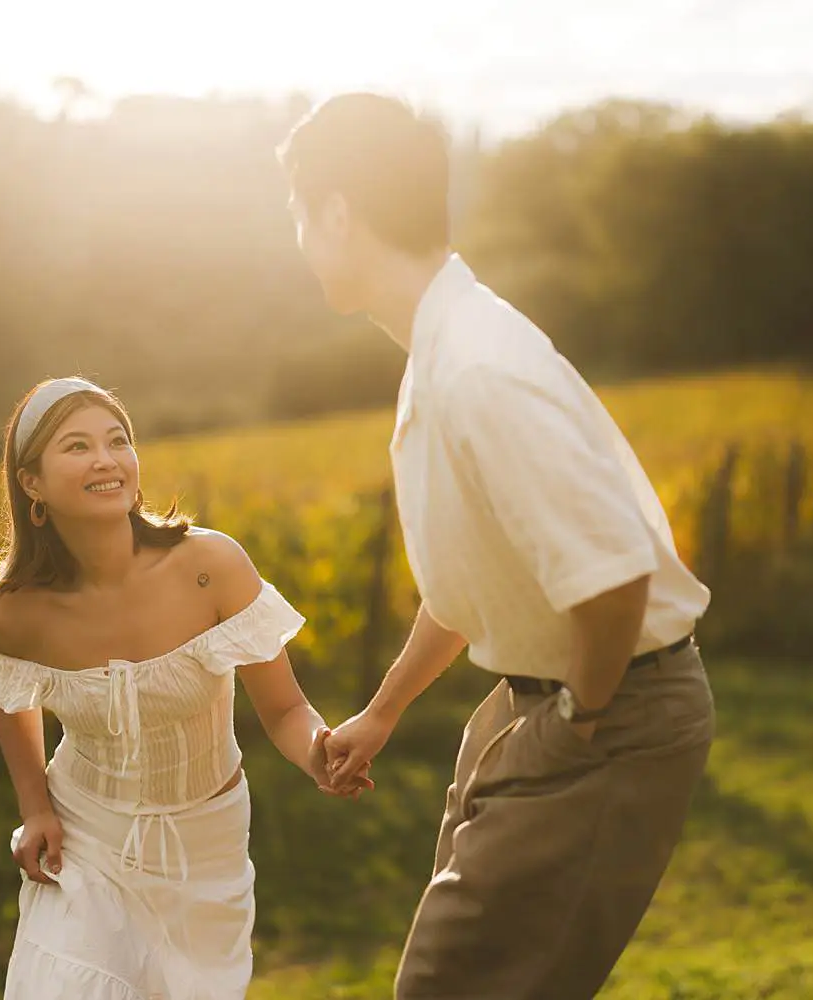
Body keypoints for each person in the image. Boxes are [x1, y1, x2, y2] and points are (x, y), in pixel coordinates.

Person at [278, 93, 718, 999]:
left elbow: (611, 578)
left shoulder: (478, 368)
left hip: (604, 716)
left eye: (297, 211)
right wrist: (386, 711)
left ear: (337, 214)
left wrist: (578, 726)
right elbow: (477, 578)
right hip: (541, 708)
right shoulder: (440, 352)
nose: (296, 237)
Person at [0, 376, 371, 1000]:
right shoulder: (13, 617)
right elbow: (11, 703)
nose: (105, 459)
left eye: (116, 440)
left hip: (206, 845)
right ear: (32, 483)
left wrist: (318, 751)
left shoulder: (210, 567)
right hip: (87, 837)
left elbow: (285, 707)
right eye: (76, 446)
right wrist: (36, 806)